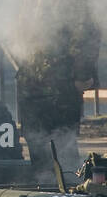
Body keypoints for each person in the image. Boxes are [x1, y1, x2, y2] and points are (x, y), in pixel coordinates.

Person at [16, 17, 101, 180]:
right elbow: (86, 34)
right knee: (63, 147)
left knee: (42, 148)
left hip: (32, 81)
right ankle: (63, 194)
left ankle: (45, 191)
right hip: (60, 85)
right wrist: (84, 76)